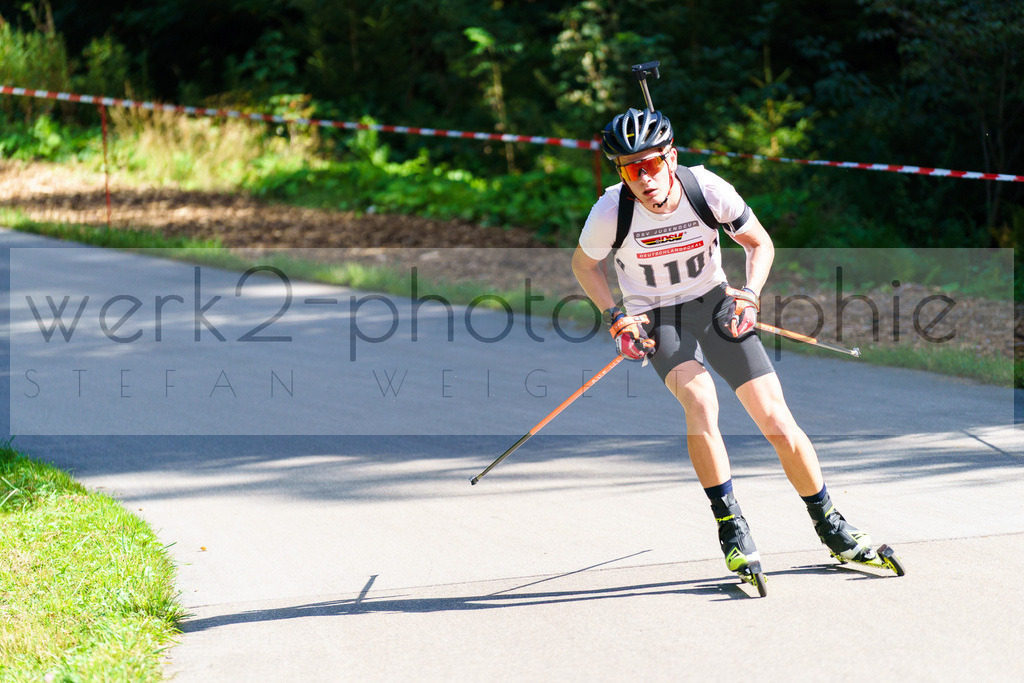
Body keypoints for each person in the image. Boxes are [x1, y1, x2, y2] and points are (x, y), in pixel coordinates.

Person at [571, 107, 879, 580]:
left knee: (775, 417)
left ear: (670, 157)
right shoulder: (611, 211)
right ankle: (732, 527)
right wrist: (618, 318)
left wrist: (750, 296)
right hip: (657, 316)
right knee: (700, 400)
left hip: (715, 302)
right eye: (632, 168)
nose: (644, 178)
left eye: (652, 164)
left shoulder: (707, 190)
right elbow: (584, 266)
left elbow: (760, 243)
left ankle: (831, 524)